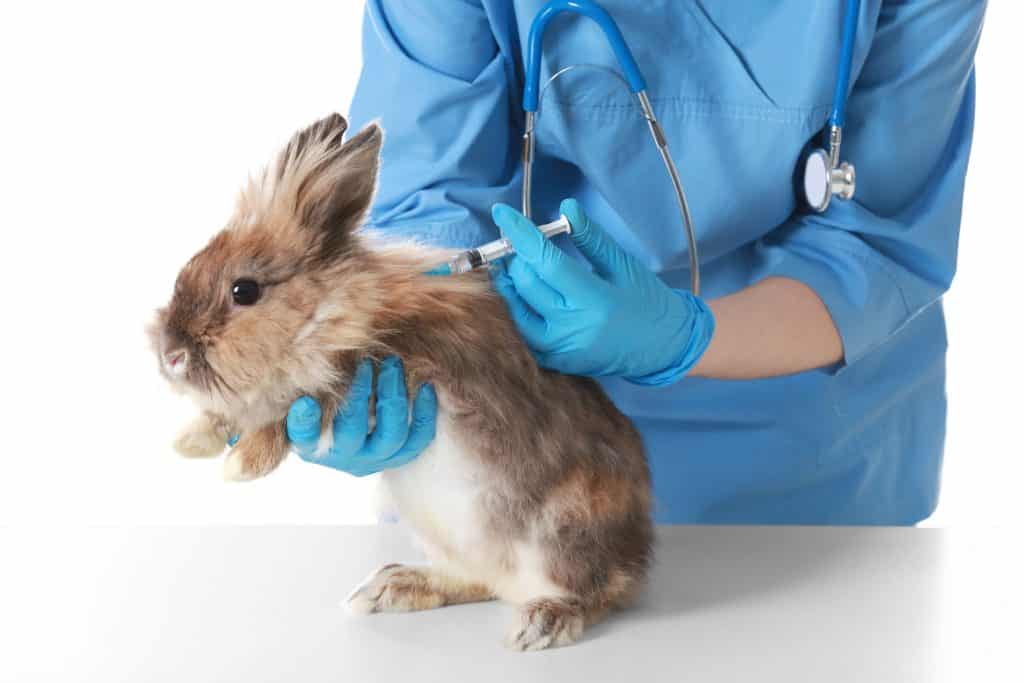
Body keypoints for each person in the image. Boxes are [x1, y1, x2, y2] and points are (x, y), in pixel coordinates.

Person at [285, 0, 987, 524]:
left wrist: (686, 336)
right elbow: (425, 208)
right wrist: (389, 372)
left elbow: (872, 246)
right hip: (515, 460)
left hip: (816, 477)